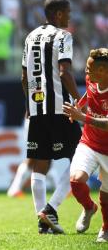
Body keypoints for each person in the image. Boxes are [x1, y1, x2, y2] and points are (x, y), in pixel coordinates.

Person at [21, 0, 82, 234]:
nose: (70, 16)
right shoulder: (63, 36)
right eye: (67, 12)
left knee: (40, 164)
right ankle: (50, 209)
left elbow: (24, 77)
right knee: (81, 159)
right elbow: (65, 72)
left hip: (37, 109)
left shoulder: (30, 36)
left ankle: (42, 223)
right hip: (60, 108)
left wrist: (28, 105)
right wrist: (79, 101)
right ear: (58, 14)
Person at [63, 48, 108, 243]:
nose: (86, 72)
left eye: (90, 68)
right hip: (89, 142)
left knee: (106, 196)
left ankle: (105, 229)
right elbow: (88, 96)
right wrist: (79, 107)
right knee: (76, 179)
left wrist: (82, 117)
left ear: (103, 71)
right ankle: (89, 208)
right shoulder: (92, 81)